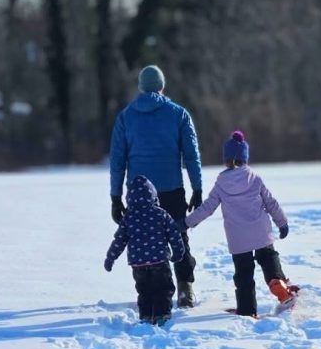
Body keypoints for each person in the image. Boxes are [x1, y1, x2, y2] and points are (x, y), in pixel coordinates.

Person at [109, 65, 203, 307]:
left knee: (142, 238)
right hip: (171, 188)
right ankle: (185, 287)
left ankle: (148, 289)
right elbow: (191, 155)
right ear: (162, 86)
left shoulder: (125, 117)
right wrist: (197, 187)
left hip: (139, 193)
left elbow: (117, 161)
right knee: (179, 236)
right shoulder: (179, 114)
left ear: (140, 87)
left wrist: (116, 196)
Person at [180, 131, 296, 317]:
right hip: (260, 232)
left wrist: (186, 223)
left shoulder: (221, 183)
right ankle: (279, 286)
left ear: (226, 159)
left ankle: (247, 309)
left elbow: (207, 208)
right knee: (269, 258)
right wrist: (282, 223)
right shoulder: (254, 178)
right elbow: (271, 202)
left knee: (243, 275)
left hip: (238, 238)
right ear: (245, 158)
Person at [104, 175, 186, 325]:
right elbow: (174, 233)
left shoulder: (128, 217)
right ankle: (162, 314)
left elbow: (119, 240)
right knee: (163, 288)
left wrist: (110, 258)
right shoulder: (160, 214)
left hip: (138, 263)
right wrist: (178, 251)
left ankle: (146, 315)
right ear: (153, 195)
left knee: (144, 290)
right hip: (159, 261)